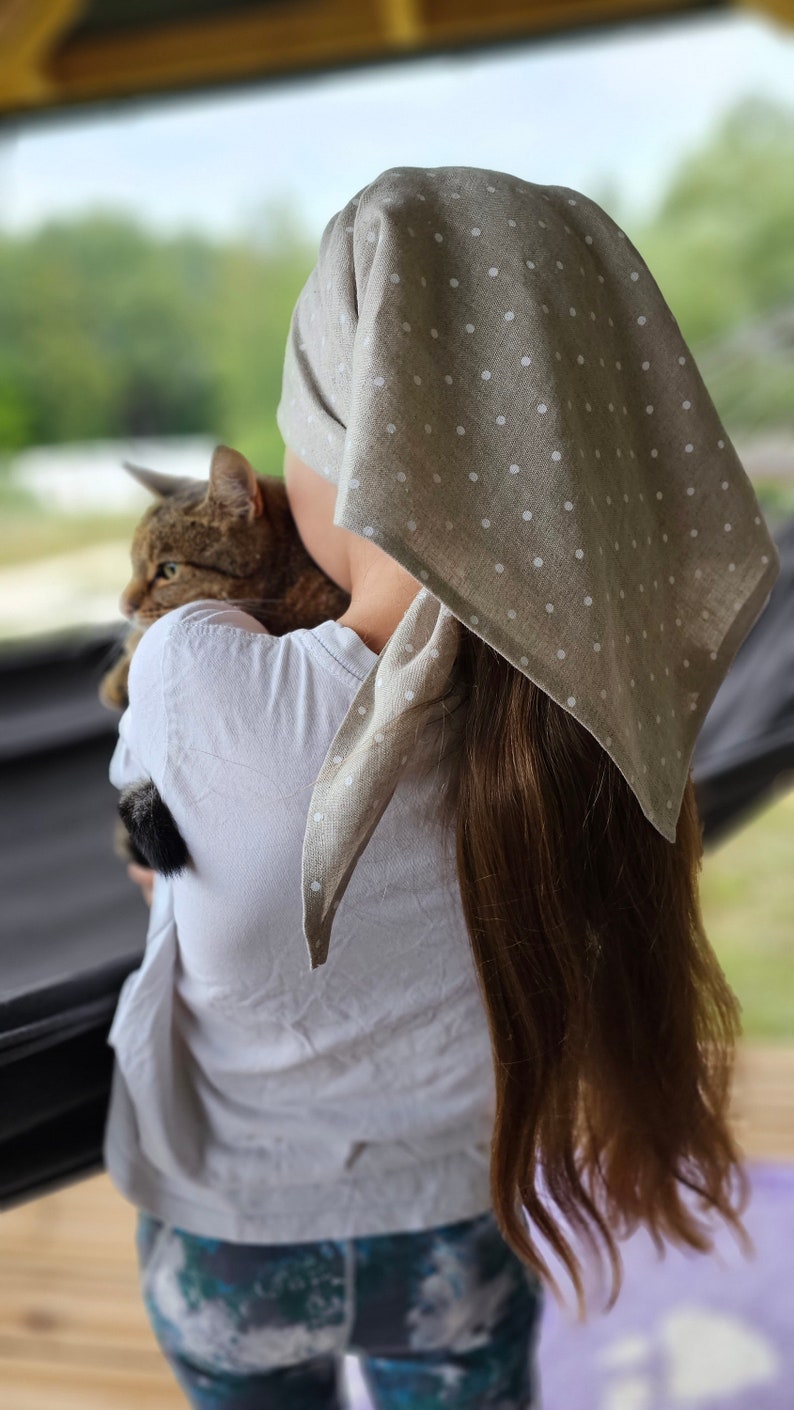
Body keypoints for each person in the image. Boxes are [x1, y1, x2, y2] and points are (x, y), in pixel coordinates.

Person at [108, 166, 779, 1410]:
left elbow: (156, 853)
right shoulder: (618, 712)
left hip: (237, 1232)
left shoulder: (196, 672)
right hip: (463, 1225)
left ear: (340, 440)